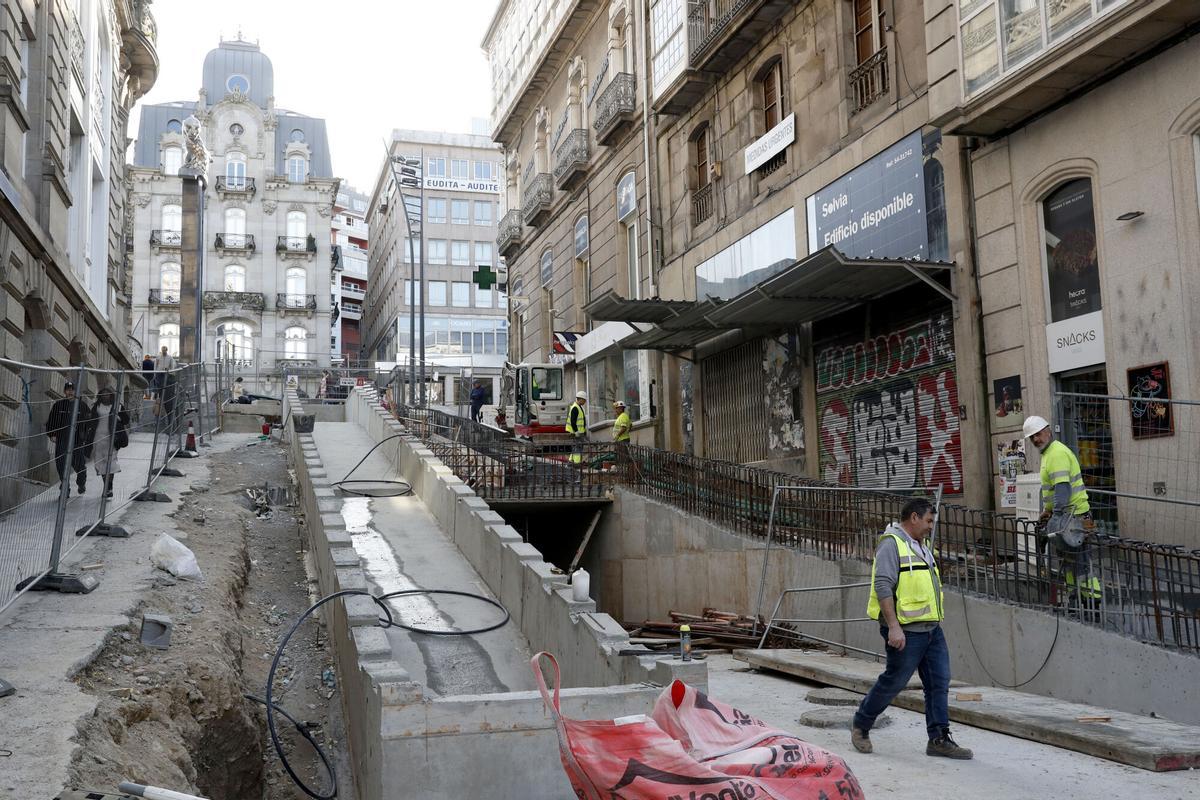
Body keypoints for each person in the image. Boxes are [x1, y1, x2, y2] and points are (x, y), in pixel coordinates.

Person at [851, 498, 973, 760]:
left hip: (931, 629)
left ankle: (939, 738)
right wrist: (894, 628)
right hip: (906, 631)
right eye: (929, 520)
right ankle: (861, 724)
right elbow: (883, 586)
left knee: (939, 683)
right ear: (914, 517)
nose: (931, 526)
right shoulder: (891, 545)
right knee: (894, 682)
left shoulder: (922, 546)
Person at [1024, 415, 1100, 602]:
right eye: (1032, 437)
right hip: (1068, 517)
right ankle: (1076, 599)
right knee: (1069, 563)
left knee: (1079, 563)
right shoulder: (1049, 454)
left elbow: (1062, 490)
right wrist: (1048, 510)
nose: (1035, 439)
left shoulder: (1056, 454)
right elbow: (1055, 491)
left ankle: (1093, 602)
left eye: (1038, 434)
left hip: (1074, 518)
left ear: (1048, 431)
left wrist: (1055, 516)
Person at [46, 382, 94, 496]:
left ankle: (81, 483)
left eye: (72, 389)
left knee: (80, 465)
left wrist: (85, 437)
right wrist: (52, 434)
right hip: (62, 440)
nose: (70, 392)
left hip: (77, 441)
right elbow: (51, 421)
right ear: (64, 391)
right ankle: (65, 488)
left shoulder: (82, 406)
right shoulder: (58, 405)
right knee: (61, 464)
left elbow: (89, 423)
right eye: (68, 389)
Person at [91, 385, 130, 500]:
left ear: (112, 395)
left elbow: (126, 420)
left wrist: (118, 417)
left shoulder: (117, 407)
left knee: (111, 463)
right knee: (101, 464)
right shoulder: (96, 406)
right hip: (98, 439)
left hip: (112, 440)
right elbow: (90, 421)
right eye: (103, 393)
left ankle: (109, 488)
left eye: (108, 393)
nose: (105, 396)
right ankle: (106, 485)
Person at [566, 390, 588, 465]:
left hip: (579, 432)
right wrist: (576, 431)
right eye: (584, 400)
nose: (585, 402)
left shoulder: (579, 407)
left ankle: (571, 461)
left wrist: (584, 431)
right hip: (576, 432)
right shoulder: (575, 408)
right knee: (578, 448)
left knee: (576, 447)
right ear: (580, 399)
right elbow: (573, 421)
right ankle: (577, 463)